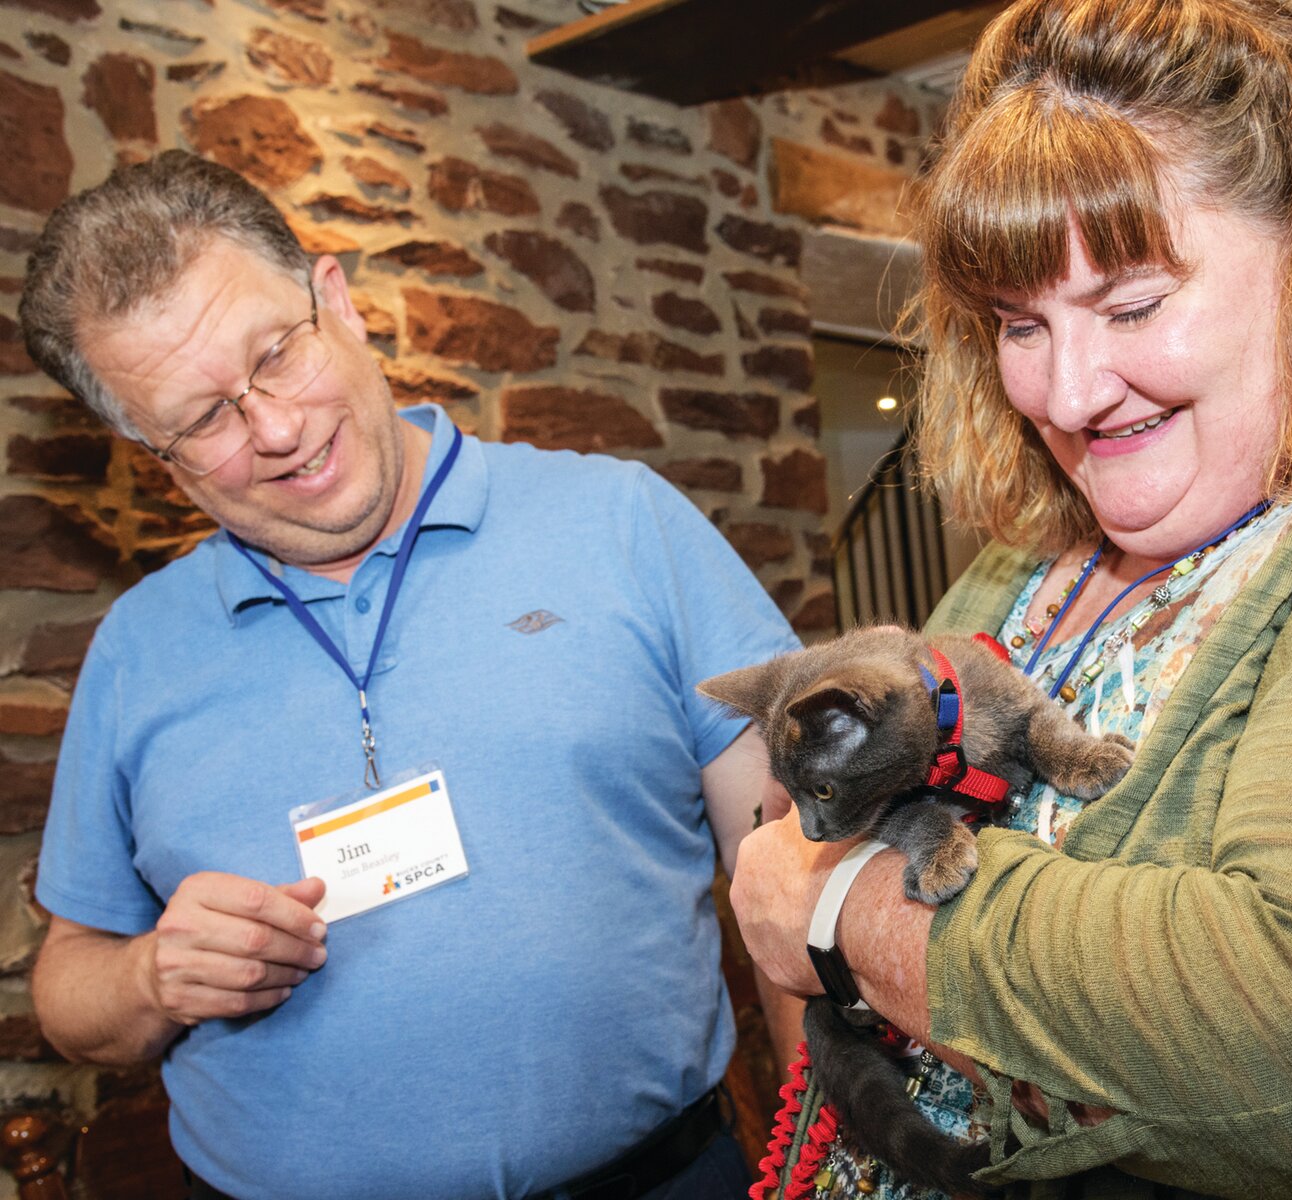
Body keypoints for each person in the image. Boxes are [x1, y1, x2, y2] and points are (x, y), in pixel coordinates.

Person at [730, 0, 1292, 1197]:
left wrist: (848, 919)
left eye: (1135, 305)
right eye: (1019, 325)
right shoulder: (1036, 551)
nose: (1070, 393)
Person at [19, 150, 805, 1200]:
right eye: (204, 421)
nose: (279, 431)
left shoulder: (624, 523)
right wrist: (150, 975)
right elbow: (69, 988)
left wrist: (826, 1159)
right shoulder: (135, 646)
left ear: (335, 300)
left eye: (278, 354)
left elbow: (799, 863)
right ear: (145, 448)